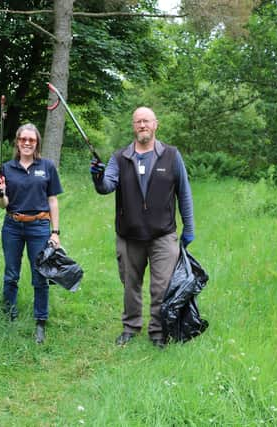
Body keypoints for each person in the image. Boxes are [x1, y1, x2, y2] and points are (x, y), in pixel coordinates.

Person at [90, 107, 194, 349]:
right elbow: (107, 186)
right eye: (138, 122)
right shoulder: (120, 157)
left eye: (146, 121)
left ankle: (158, 331)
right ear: (133, 126)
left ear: (156, 124)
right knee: (130, 284)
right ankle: (130, 327)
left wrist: (189, 228)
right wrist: (97, 176)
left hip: (163, 235)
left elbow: (185, 193)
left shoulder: (171, 155)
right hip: (129, 236)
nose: (142, 125)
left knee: (161, 287)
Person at [0, 123, 63, 344]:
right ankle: (9, 316)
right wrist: (2, 194)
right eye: (23, 139)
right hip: (12, 225)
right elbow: (2, 204)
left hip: (39, 226)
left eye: (31, 140)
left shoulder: (47, 167)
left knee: (40, 275)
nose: (27, 143)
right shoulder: (6, 168)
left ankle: (40, 321)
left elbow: (53, 200)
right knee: (11, 274)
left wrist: (55, 232)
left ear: (37, 143)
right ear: (17, 141)